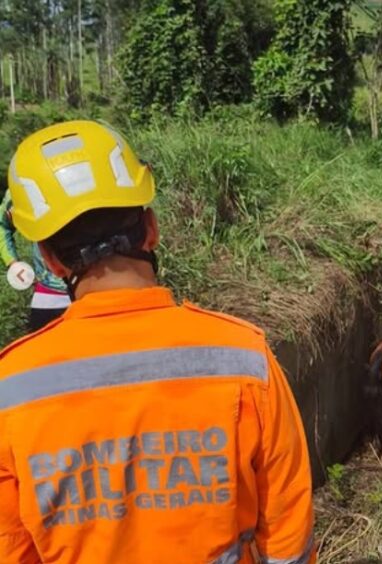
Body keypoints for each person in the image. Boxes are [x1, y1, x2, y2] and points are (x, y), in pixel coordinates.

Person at [0, 120, 315, 564]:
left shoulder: (11, 390)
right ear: (152, 228)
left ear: (50, 259)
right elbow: (288, 537)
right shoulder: (245, 361)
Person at [1, 190, 71, 331]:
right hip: (51, 295)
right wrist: (13, 263)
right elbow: (2, 224)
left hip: (106, 291)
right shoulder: (28, 180)